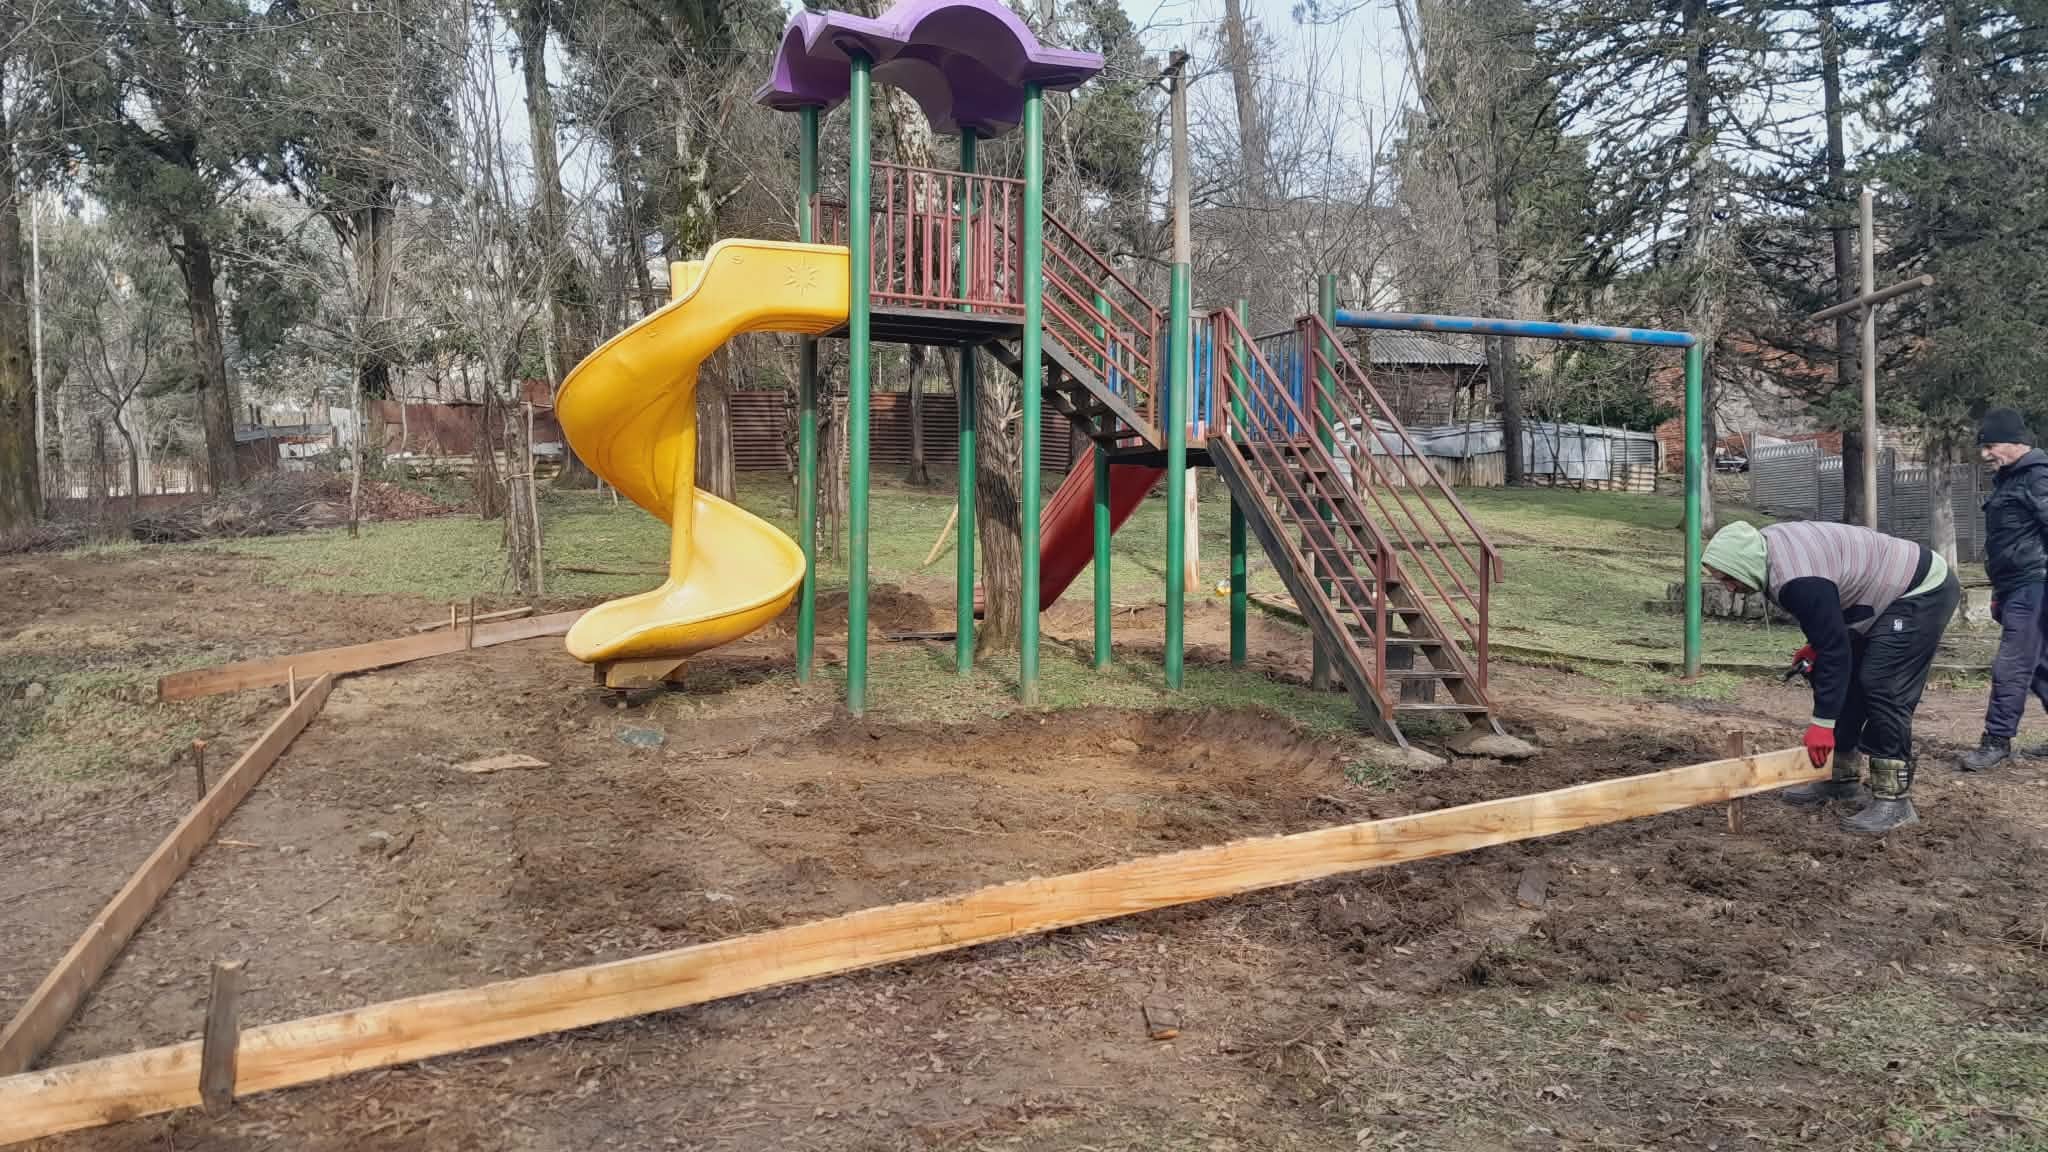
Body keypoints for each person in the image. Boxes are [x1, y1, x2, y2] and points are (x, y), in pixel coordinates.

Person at [1701, 518, 1960, 833]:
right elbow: (1830, 628)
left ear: (1744, 562)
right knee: (1838, 673)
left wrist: (1822, 726)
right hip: (1880, 594)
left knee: (1882, 685)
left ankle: (1894, 801)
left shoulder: (1796, 580)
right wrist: (1817, 646)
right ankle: (1841, 778)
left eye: (1729, 578)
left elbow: (1836, 649)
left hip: (1920, 588)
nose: (1729, 588)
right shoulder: (1765, 553)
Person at [1959, 407, 2048, 771]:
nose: (1985, 454)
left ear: (2015, 442)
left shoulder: (2038, 477)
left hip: (2034, 585)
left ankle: (1996, 740)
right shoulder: (2010, 479)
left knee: (2012, 664)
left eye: (1990, 446)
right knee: (2039, 664)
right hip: (2015, 585)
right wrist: (2000, 590)